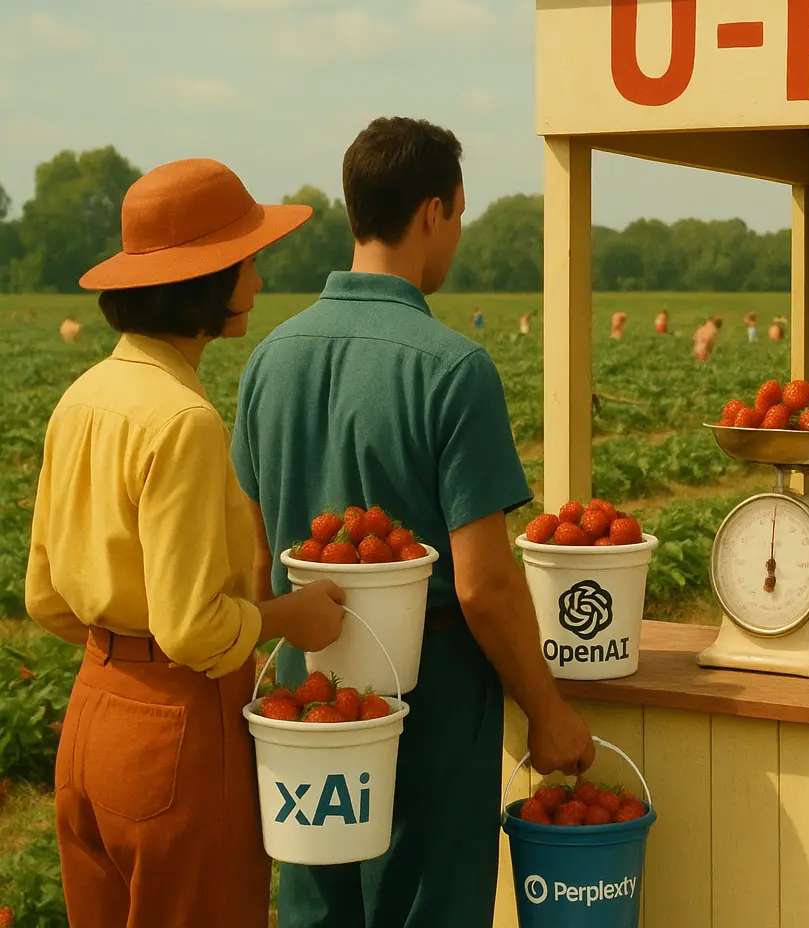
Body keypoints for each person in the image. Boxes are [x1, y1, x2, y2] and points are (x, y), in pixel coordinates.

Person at [231, 117, 594, 927]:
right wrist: (548, 711)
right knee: (424, 907)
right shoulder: (453, 368)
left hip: (308, 694)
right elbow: (484, 585)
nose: (456, 235)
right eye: (460, 217)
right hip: (426, 702)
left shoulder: (269, 360)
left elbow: (253, 569)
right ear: (434, 212)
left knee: (317, 908)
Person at [25, 158, 349, 927]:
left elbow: (43, 598)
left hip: (92, 714)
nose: (259, 278)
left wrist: (119, 649)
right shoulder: (183, 420)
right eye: (249, 259)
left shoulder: (83, 397)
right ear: (207, 278)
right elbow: (194, 628)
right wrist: (286, 617)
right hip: (176, 730)